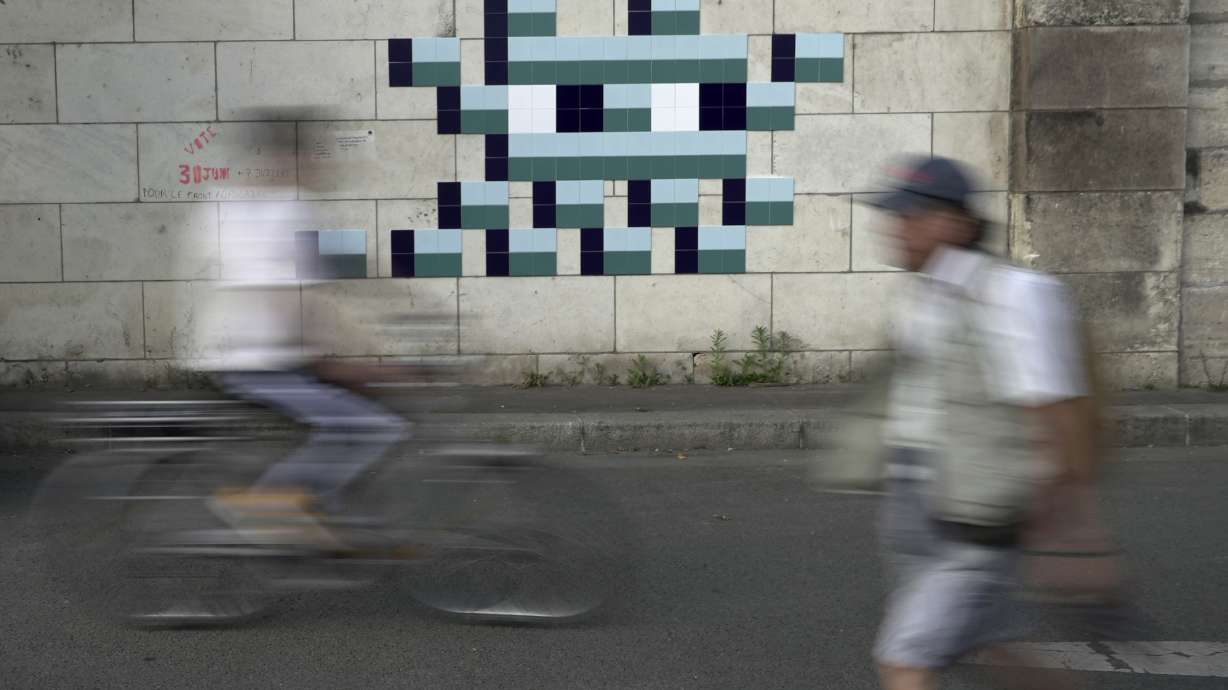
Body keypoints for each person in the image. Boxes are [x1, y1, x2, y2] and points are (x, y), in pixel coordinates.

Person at [869, 157, 1093, 690]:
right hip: (918, 501)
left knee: (906, 657)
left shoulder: (1014, 293)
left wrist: (1076, 535)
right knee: (984, 640)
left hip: (978, 514)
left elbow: (1053, 412)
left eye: (911, 215)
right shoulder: (923, 295)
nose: (895, 228)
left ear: (958, 223)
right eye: (893, 215)